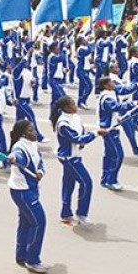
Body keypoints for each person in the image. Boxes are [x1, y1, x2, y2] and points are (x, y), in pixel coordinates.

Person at [52, 96, 104, 225]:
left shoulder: (75, 117)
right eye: (73, 105)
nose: (75, 107)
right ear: (65, 108)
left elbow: (81, 133)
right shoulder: (63, 123)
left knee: (68, 184)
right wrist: (95, 134)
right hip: (70, 157)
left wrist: (84, 140)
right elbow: (76, 139)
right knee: (86, 183)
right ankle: (82, 213)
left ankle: (65, 213)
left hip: (76, 154)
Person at [7, 120, 49, 274]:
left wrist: (40, 172)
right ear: (24, 133)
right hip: (22, 191)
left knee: (26, 222)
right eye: (32, 130)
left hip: (31, 187)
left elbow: (40, 163)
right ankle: (32, 260)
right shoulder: (19, 147)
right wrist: (13, 159)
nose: (35, 132)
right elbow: (17, 157)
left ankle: (21, 256)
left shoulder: (33, 145)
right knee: (39, 223)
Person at [97, 76, 138, 191]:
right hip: (109, 130)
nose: (113, 83)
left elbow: (125, 90)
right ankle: (111, 180)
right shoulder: (106, 98)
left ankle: (105, 179)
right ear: (105, 85)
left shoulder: (112, 91)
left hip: (111, 127)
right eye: (110, 82)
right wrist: (135, 103)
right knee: (118, 155)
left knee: (109, 155)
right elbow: (117, 106)